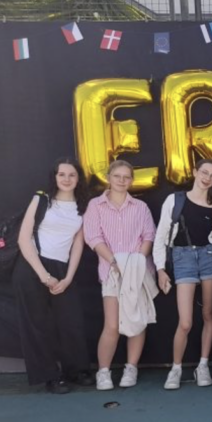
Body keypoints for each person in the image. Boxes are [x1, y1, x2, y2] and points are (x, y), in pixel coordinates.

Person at [12, 158, 92, 394]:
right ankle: (51, 377)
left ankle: (76, 370)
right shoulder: (41, 199)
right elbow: (23, 239)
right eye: (61, 174)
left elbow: (78, 244)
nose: (66, 179)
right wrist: (44, 276)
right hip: (32, 267)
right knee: (37, 325)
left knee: (71, 322)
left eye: (72, 175)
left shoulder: (83, 205)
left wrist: (67, 278)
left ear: (78, 179)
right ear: (54, 177)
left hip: (63, 268)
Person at [83, 160, 157, 391]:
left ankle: (131, 367)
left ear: (132, 180)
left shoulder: (140, 207)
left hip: (138, 272)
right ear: (109, 177)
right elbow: (93, 237)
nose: (122, 181)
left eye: (127, 177)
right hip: (111, 272)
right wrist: (116, 262)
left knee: (137, 322)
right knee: (112, 325)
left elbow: (148, 236)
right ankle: (103, 372)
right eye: (118, 176)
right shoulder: (96, 206)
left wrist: (135, 263)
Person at [153, 159, 212, 390]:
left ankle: (202, 365)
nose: (207, 178)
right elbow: (161, 235)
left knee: (209, 314)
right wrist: (160, 269)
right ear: (195, 172)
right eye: (204, 172)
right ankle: (176, 368)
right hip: (183, 258)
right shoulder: (175, 200)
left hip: (209, 258)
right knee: (185, 322)